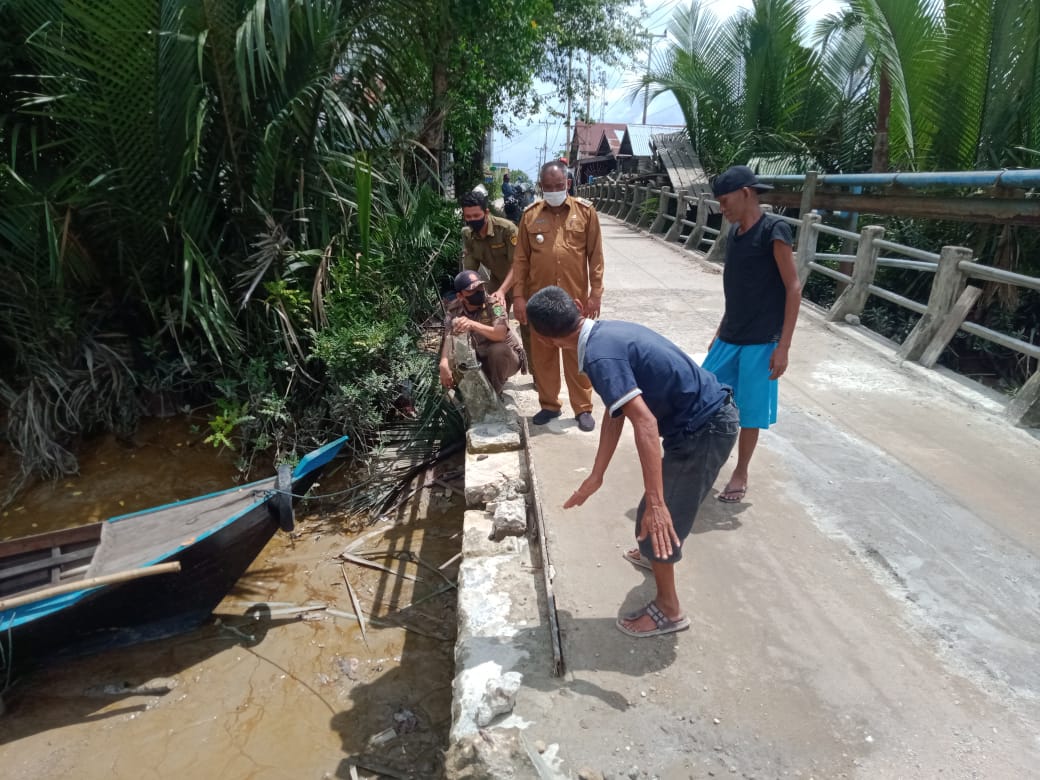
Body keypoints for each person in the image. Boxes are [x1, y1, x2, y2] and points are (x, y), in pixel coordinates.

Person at [525, 286, 739, 637]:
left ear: (544, 340)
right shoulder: (603, 336)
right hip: (702, 420)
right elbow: (618, 411)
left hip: (704, 429)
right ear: (578, 306)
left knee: (654, 519)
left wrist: (657, 503)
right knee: (655, 516)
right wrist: (596, 475)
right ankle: (655, 554)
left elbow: (645, 423)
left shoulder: (599, 358)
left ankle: (670, 610)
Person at [702, 165, 801, 503]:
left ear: (746, 193)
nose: (722, 209)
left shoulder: (774, 231)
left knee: (750, 411)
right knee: (704, 395)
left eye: (725, 201)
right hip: (730, 335)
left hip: (762, 341)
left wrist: (783, 346)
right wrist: (719, 330)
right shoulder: (734, 234)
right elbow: (738, 290)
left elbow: (793, 288)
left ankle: (741, 471)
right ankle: (702, 461)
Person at [496, 160, 604, 432]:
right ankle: (549, 404)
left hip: (575, 300)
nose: (554, 190)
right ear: (541, 186)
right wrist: (519, 298)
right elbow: (521, 260)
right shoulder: (530, 216)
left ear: (567, 183)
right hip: (539, 302)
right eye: (548, 186)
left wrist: (595, 294)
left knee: (577, 354)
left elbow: (596, 256)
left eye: (559, 185)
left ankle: (583, 408)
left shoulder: (586, 213)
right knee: (543, 355)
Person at [439, 270, 524, 395]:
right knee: (452, 351)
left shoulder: (494, 304)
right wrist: (444, 363)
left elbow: (500, 334)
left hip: (508, 358)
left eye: (480, 287)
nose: (478, 292)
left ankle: (494, 394)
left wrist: (472, 324)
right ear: (460, 296)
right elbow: (448, 335)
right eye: (471, 290)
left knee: (498, 350)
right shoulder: (454, 309)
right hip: (478, 358)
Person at [461, 189, 518, 300]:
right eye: (468, 217)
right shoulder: (469, 235)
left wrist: (502, 291)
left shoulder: (506, 229)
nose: (472, 220)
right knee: (492, 309)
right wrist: (465, 289)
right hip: (497, 280)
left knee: (525, 310)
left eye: (476, 215)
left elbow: (518, 264)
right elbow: (470, 269)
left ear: (486, 213)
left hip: (520, 280)